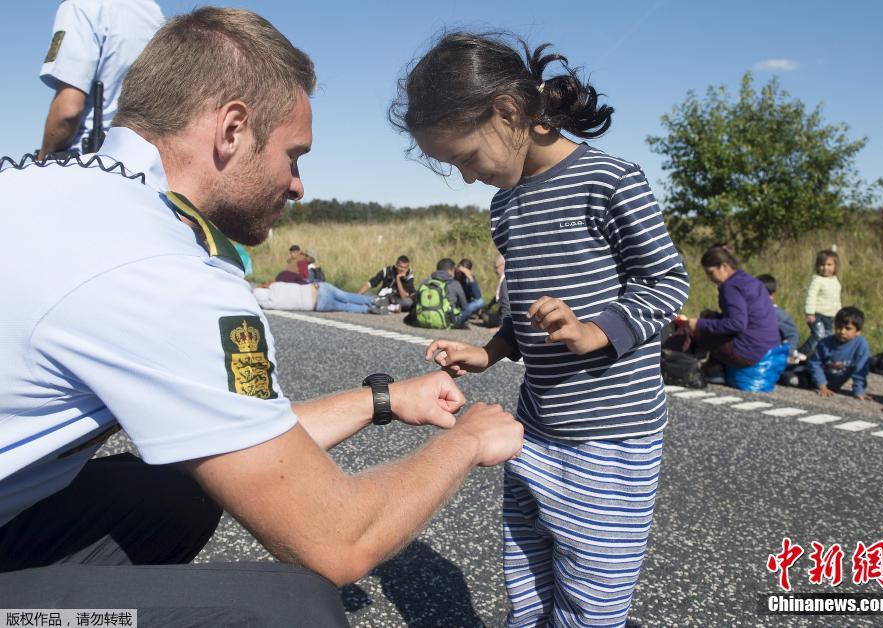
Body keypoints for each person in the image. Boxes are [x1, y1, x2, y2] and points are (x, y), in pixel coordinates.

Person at [0, 9, 524, 624]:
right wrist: (465, 442)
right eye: (293, 155)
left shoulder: (57, 192)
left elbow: (238, 438)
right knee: (294, 609)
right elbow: (339, 541)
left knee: (175, 491)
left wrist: (382, 400)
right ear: (232, 128)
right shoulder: (161, 270)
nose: (299, 185)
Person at [391, 32, 690, 626]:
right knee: (527, 586)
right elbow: (524, 306)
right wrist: (491, 351)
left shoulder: (611, 181)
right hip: (536, 430)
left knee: (590, 603)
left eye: (467, 158)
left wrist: (597, 330)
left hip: (610, 438)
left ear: (507, 111)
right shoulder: (506, 206)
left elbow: (667, 284)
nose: (470, 177)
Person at [38, 0, 165, 159]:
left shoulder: (79, 7)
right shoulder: (153, 13)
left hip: (86, 161)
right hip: (142, 161)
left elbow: (68, 111)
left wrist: (41, 159)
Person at [682, 246, 779, 378]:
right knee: (709, 319)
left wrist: (699, 324)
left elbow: (737, 324)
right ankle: (713, 366)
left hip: (750, 353)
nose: (709, 278)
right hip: (770, 349)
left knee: (700, 332)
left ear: (724, 266)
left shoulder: (730, 286)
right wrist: (714, 317)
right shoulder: (750, 281)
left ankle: (688, 367)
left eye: (711, 273)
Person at [807, 306, 872, 400]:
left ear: (858, 331)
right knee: (791, 378)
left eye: (848, 328)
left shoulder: (861, 345)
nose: (842, 331)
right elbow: (814, 364)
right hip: (811, 378)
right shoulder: (825, 343)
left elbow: (861, 369)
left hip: (833, 385)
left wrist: (859, 391)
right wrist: (822, 385)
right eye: (839, 327)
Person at [799, 249, 842, 357]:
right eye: (822, 265)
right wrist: (809, 313)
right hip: (817, 315)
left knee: (827, 338)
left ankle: (821, 358)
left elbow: (836, 299)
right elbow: (811, 296)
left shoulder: (835, 280)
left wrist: (840, 313)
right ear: (817, 266)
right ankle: (800, 353)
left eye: (829, 265)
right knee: (818, 334)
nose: (825, 268)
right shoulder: (817, 280)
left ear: (835, 266)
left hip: (831, 316)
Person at [254, 280, 383, 314]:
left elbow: (260, 304)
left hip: (317, 305)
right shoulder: (276, 285)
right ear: (264, 287)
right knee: (346, 296)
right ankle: (373, 300)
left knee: (346, 306)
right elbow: (269, 283)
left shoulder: (271, 304)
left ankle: (368, 309)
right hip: (318, 288)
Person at [756, 274, 805, 364]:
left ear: (772, 296)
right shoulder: (751, 311)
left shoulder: (777, 314)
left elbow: (792, 333)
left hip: (775, 356)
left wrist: (787, 352)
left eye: (763, 295)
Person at [454, 258, 485, 329]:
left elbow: (478, 297)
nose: (461, 273)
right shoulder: (452, 276)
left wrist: (470, 278)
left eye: (465, 271)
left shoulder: (468, 279)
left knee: (481, 303)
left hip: (464, 305)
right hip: (453, 306)